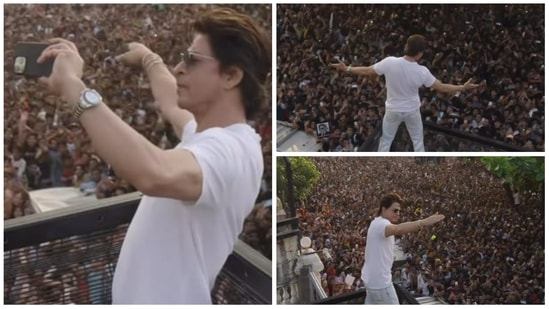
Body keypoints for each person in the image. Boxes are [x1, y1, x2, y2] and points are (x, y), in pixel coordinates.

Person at [36, 7, 271, 304]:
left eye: (192, 59)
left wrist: (73, 86)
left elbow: (154, 172)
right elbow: (170, 103)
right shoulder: (208, 135)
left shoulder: (232, 153)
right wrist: (149, 58)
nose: (179, 68)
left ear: (231, 75)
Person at [330, 34, 479, 152]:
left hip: (392, 110)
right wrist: (462, 88)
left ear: (406, 47)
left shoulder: (390, 62)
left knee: (386, 141)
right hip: (412, 111)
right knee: (418, 142)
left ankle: (381, 167)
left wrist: (347, 68)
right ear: (420, 53)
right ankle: (422, 169)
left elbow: (367, 70)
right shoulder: (422, 72)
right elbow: (441, 87)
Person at [361, 193, 445, 304]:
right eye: (394, 210)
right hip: (380, 284)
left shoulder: (375, 223)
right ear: (384, 209)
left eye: (399, 211)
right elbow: (398, 229)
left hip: (372, 282)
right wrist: (423, 222)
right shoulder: (381, 224)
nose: (398, 214)